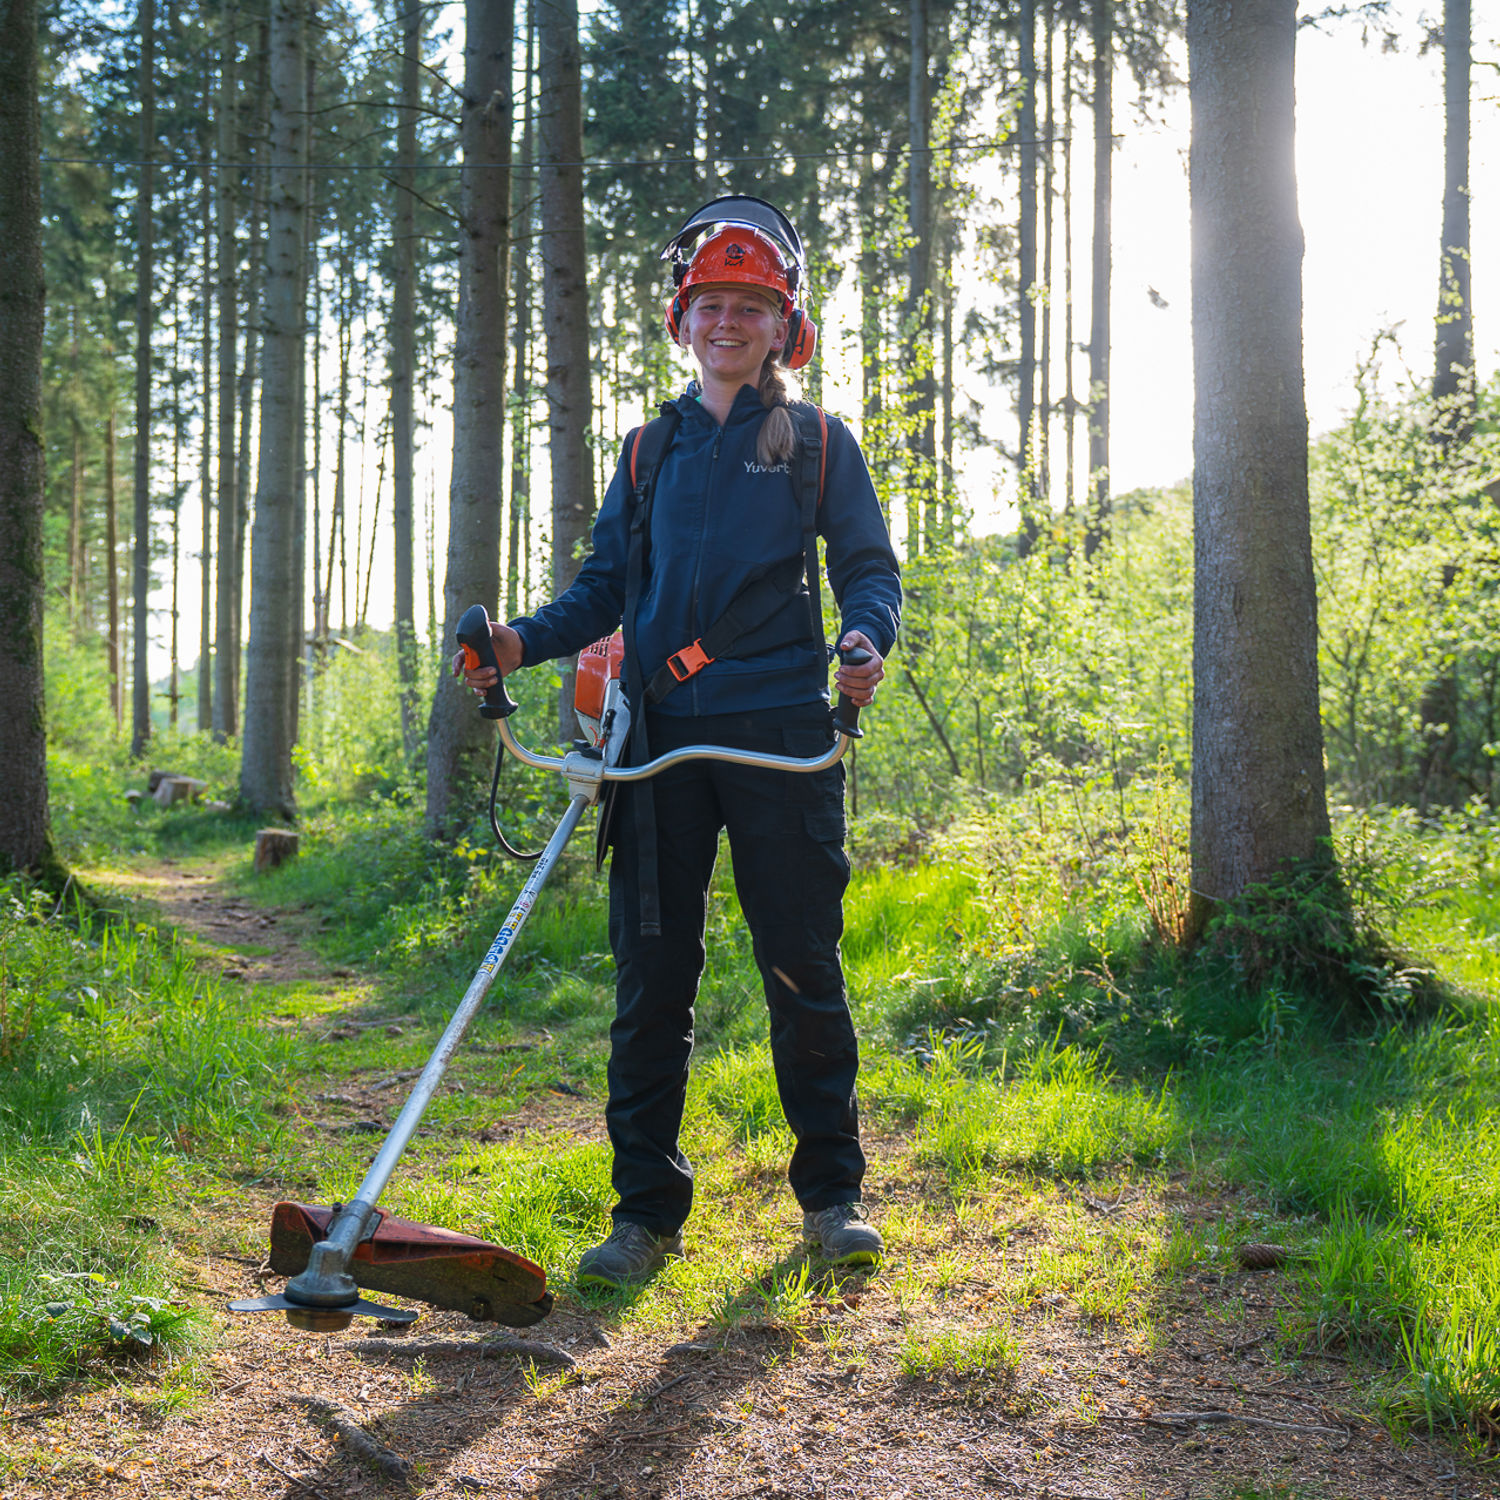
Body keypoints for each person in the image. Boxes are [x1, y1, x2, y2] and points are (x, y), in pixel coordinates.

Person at [460, 196, 901, 1289]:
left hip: (781, 737)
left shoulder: (815, 443)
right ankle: (644, 1215)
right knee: (651, 980)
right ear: (682, 318)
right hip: (651, 743)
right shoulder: (648, 449)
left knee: (803, 967)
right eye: (711, 303)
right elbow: (606, 588)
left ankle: (832, 1200)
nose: (728, 323)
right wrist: (517, 643)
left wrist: (864, 636)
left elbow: (869, 568)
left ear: (782, 326)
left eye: (751, 306)